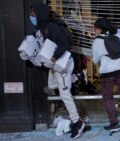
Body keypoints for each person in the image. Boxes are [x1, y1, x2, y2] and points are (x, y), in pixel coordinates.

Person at [29, 3, 85, 139]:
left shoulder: (51, 27)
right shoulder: (37, 29)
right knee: (52, 86)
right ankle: (77, 76)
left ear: (40, 13)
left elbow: (64, 43)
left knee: (65, 94)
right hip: (53, 65)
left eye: (33, 14)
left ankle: (77, 122)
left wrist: (55, 56)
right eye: (30, 15)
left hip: (62, 63)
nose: (31, 17)